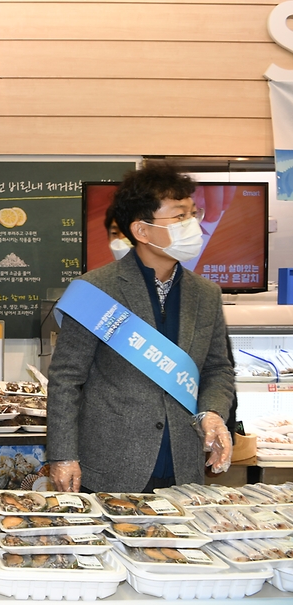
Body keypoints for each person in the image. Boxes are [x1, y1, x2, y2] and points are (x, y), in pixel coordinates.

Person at [47, 163, 233, 494]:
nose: (192, 226)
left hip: (183, 465)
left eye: (193, 214)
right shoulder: (95, 291)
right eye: (178, 217)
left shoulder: (206, 294)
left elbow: (218, 369)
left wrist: (213, 413)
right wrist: (63, 455)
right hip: (111, 466)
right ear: (142, 231)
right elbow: (65, 381)